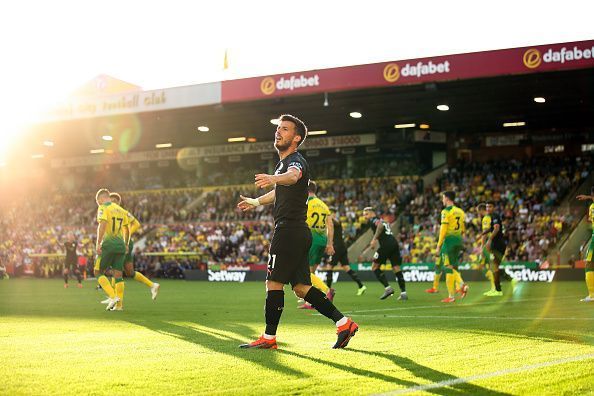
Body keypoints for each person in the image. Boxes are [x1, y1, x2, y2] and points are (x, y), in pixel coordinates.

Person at [237, 114, 358, 349]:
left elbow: (292, 177)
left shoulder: (295, 161)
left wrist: (273, 177)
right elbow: (279, 191)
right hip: (298, 232)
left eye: (285, 129)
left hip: (288, 231)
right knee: (302, 288)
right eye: (278, 128)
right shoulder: (284, 164)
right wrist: (255, 202)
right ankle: (344, 324)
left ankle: (269, 338)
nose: (278, 132)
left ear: (296, 137)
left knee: (273, 283)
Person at [107, 193, 160, 309]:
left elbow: (137, 224)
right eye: (111, 201)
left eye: (114, 201)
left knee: (116, 271)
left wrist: (126, 234)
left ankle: (117, 303)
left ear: (118, 202)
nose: (112, 202)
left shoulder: (121, 212)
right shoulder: (115, 212)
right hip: (124, 243)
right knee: (130, 272)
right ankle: (152, 285)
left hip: (122, 243)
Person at [298, 181, 335, 309]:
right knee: (311, 271)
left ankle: (326, 290)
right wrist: (330, 244)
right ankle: (310, 301)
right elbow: (330, 225)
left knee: (304, 271)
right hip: (322, 240)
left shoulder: (306, 203)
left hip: (309, 239)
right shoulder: (323, 205)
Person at [359, 207, 407, 301]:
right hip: (394, 243)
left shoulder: (374, 220)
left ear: (372, 213)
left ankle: (388, 289)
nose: (365, 217)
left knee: (374, 267)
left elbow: (380, 225)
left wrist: (374, 239)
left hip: (386, 245)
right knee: (396, 268)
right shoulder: (381, 220)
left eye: (366, 214)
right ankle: (403, 293)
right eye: (364, 215)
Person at [94, 188, 130, 311]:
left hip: (108, 244)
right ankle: (119, 306)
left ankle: (113, 296)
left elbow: (102, 225)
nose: (99, 204)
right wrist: (126, 244)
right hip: (120, 245)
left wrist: (98, 243)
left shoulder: (104, 207)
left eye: (99, 202)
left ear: (102, 198)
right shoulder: (121, 210)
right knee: (118, 275)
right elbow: (127, 229)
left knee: (97, 271)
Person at [322, 206, 366, 295]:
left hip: (336, 247)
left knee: (329, 267)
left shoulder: (335, 222)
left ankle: (328, 291)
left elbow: (331, 223)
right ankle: (361, 286)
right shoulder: (336, 222)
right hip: (342, 247)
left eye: (331, 213)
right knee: (347, 267)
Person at [434, 191, 468, 303]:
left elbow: (443, 230)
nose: (442, 200)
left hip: (449, 241)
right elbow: (463, 229)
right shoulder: (460, 211)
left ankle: (458, 289)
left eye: (443, 198)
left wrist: (439, 246)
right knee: (452, 267)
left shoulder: (445, 211)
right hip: (458, 240)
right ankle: (459, 288)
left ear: (447, 199)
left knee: (447, 267)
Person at [484, 201, 516, 297]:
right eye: (487, 207)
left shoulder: (495, 216)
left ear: (493, 207)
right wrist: (485, 232)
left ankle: (500, 288)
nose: (488, 208)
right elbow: (494, 228)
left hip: (497, 244)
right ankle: (499, 287)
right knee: (493, 266)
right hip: (498, 244)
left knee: (494, 266)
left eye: (490, 206)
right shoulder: (493, 217)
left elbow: (497, 228)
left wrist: (489, 240)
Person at [576, 187, 594, 302]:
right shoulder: (591, 206)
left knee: (589, 263)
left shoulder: (592, 207)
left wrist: (588, 197)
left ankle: (592, 295)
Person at [477, 203, 496, 294]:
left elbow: (484, 234)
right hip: (495, 243)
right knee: (490, 265)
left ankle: (495, 288)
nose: (478, 214)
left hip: (490, 244)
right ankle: (494, 287)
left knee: (490, 265)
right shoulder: (493, 217)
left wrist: (482, 247)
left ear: (481, 210)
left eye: (478, 212)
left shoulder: (486, 218)